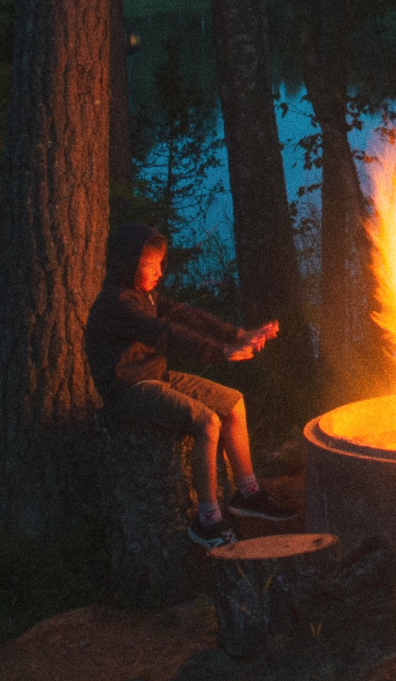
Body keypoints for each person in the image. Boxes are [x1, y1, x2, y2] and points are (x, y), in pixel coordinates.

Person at [85, 223, 296, 549]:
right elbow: (164, 333)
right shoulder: (117, 303)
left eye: (160, 263)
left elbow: (186, 316)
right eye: (150, 265)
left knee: (232, 402)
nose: (158, 271)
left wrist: (237, 335)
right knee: (206, 422)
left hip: (157, 378)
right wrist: (219, 352)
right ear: (127, 264)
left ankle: (247, 491)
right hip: (127, 390)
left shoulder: (146, 296)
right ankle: (208, 519)